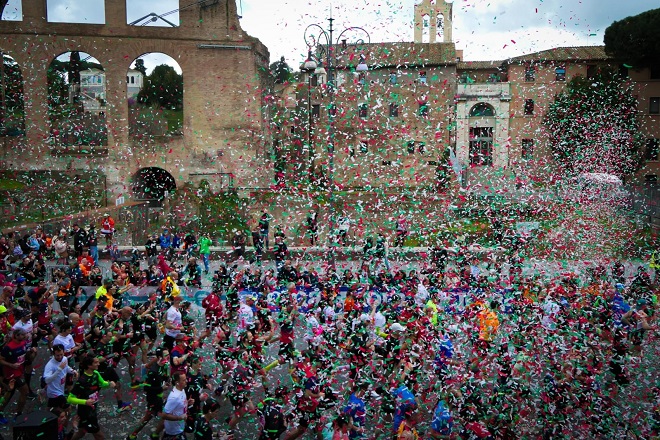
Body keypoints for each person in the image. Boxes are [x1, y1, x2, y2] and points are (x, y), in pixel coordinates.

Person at [67, 354, 118, 440]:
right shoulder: (82, 381)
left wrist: (109, 384)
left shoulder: (96, 373)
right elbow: (70, 398)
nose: (98, 364)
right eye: (96, 362)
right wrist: (85, 402)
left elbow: (102, 383)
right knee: (99, 435)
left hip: (93, 408)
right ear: (89, 365)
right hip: (85, 412)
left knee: (81, 432)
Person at [43, 344, 76, 413]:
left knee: (54, 410)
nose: (60, 357)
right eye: (57, 355)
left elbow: (66, 368)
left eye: (61, 354)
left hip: (60, 389)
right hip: (54, 392)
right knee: (67, 409)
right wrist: (58, 370)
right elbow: (46, 380)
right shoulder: (50, 365)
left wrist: (73, 371)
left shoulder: (64, 358)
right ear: (53, 354)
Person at [162, 371, 193, 440]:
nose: (187, 381)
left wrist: (187, 402)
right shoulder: (174, 397)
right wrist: (179, 418)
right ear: (177, 383)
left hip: (180, 427)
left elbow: (179, 405)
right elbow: (164, 415)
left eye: (186, 379)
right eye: (184, 380)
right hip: (174, 432)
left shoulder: (182, 390)